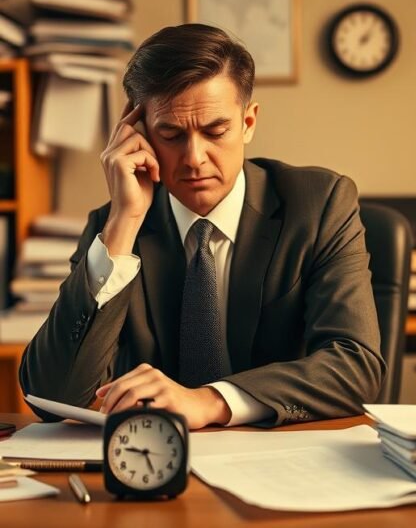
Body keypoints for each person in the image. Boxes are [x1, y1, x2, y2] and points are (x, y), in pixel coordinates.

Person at [20, 24, 384, 429]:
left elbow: (356, 365)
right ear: (137, 133)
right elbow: (51, 398)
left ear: (248, 122)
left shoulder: (319, 204)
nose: (194, 157)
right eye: (171, 134)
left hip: (284, 460)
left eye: (215, 131)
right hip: (154, 462)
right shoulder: (112, 228)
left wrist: (211, 401)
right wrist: (123, 222)